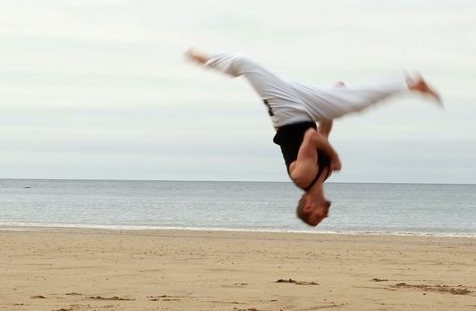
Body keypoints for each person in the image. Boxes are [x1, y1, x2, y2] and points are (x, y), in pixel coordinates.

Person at [185, 48, 441, 226]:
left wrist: (335, 157)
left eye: (319, 217)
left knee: (242, 62)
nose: (325, 215)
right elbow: (323, 132)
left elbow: (310, 137)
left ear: (309, 207)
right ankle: (412, 84)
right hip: (307, 110)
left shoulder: (303, 176)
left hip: (286, 109)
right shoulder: (323, 174)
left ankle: (204, 59)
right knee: (354, 103)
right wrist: (334, 99)